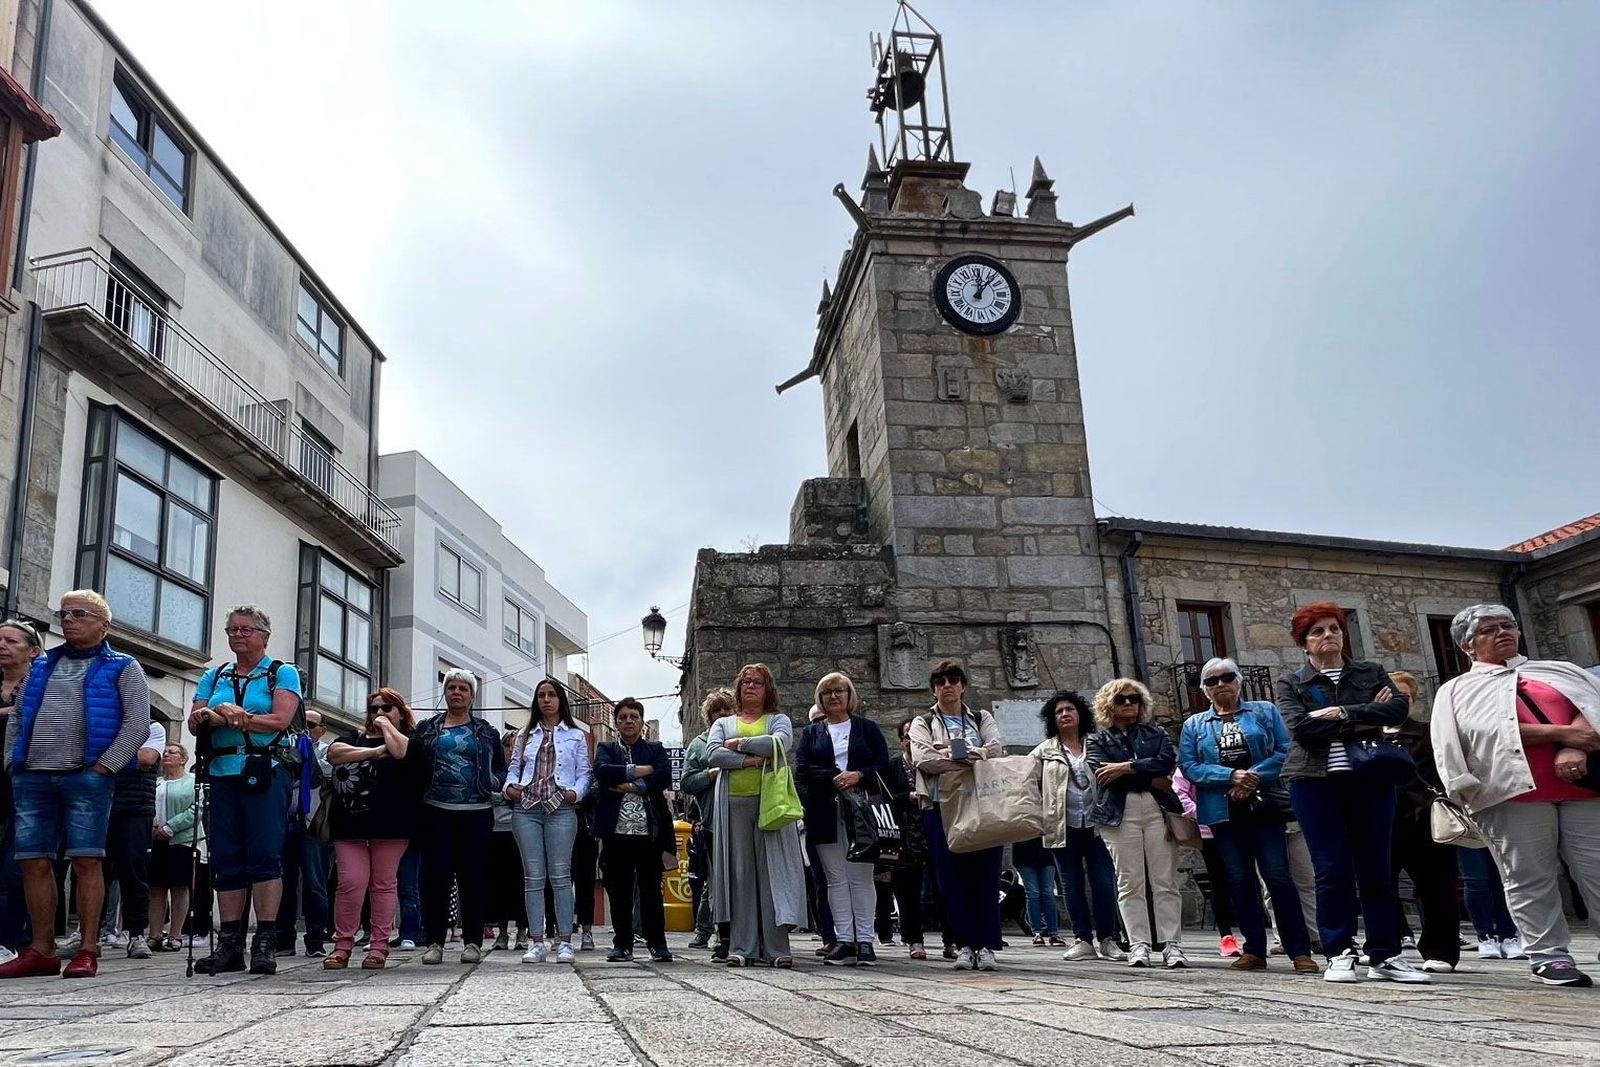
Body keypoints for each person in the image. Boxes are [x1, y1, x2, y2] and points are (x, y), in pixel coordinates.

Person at [1431, 604, 1600, 987]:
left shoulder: (1561, 672)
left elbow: (1593, 707)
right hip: (1510, 793)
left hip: (1584, 788)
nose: (1503, 632)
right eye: (1489, 629)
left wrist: (1576, 745)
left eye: (1508, 625)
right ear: (1468, 646)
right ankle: (1549, 956)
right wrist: (1563, 734)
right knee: (1528, 877)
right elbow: (1477, 733)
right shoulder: (1457, 691)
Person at [0, 590, 151, 980]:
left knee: (86, 859)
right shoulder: (42, 665)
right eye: (64, 613)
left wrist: (105, 767)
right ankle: (42, 949)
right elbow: (18, 717)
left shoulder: (123, 666)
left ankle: (87, 948)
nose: (68, 620)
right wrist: (12, 762)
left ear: (104, 624)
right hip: (32, 774)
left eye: (79, 613)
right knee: (32, 861)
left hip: (86, 775)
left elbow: (137, 724)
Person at [1277, 601, 1424, 985]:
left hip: (1370, 778)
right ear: (1304, 644)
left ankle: (1385, 954)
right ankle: (1339, 951)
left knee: (1376, 868)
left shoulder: (1371, 671)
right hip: (1313, 780)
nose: (1328, 636)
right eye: (1318, 632)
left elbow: (1396, 711)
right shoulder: (1292, 682)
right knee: (1331, 869)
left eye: (1334, 629)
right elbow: (1299, 729)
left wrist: (1341, 713)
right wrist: (1364, 713)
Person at [1179, 658, 1318, 974]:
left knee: (1279, 877)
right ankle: (1254, 949)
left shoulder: (1265, 712)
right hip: (1222, 811)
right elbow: (1189, 766)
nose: (1220, 684)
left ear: (1239, 681)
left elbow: (1285, 751)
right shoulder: (1194, 725)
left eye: (1227, 677)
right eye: (1211, 681)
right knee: (1239, 880)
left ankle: (1300, 950)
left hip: (1264, 807)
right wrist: (1231, 776)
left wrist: (1250, 776)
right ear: (1204, 690)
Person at [185, 605, 303, 977]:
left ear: (264, 636)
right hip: (221, 772)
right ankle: (230, 942)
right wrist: (218, 714)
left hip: (264, 770)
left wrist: (237, 717)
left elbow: (280, 721)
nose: (237, 635)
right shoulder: (214, 674)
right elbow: (195, 720)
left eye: (246, 629)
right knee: (226, 856)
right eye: (232, 630)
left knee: (265, 853)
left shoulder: (281, 673)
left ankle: (265, 939)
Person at [707, 663, 807, 968]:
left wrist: (738, 745)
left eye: (757, 683)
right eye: (745, 682)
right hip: (735, 803)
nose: (750, 687)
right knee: (740, 876)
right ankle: (742, 947)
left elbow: (780, 743)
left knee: (772, 874)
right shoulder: (723, 723)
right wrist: (752, 760)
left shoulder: (779, 720)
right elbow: (713, 754)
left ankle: (777, 948)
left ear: (768, 689)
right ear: (738, 689)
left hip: (771, 804)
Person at [909, 660, 1005, 972]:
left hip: (982, 804)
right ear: (933, 688)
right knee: (950, 878)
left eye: (953, 680)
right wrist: (967, 758)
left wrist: (952, 755)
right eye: (940, 681)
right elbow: (923, 758)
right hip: (941, 806)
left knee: (986, 875)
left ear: (963, 685)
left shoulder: (981, 717)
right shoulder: (922, 722)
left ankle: (987, 944)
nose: (947, 685)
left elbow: (996, 749)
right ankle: (964, 943)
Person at [1086, 678, 1186, 969]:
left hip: (1156, 808)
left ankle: (1172, 943)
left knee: (1165, 879)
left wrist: (1126, 767)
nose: (1129, 704)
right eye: (1121, 699)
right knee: (1129, 881)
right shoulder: (1097, 740)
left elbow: (1166, 763)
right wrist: (1146, 771)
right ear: (1109, 705)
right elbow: (1101, 772)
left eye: (1134, 699)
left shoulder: (1156, 734)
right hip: (1119, 812)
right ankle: (1138, 943)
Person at [795, 672, 892, 967]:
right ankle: (844, 939)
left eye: (839, 691)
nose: (833, 696)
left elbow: (884, 766)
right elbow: (802, 768)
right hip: (825, 810)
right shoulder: (812, 733)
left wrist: (858, 776)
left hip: (861, 812)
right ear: (820, 699)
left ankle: (865, 940)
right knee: (835, 879)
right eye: (827, 692)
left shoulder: (867, 729)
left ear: (850, 695)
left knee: (861, 877)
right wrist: (835, 777)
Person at [323, 688, 423, 970]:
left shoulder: (412, 740)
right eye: (373, 709)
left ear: (401, 714)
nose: (378, 713)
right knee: (351, 883)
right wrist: (376, 750)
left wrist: (386, 729)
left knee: (383, 884)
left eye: (386, 708)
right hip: (349, 825)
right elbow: (334, 753)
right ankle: (342, 944)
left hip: (391, 826)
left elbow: (401, 752)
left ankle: (379, 946)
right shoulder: (353, 738)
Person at [415, 668, 506, 965]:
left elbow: (502, 770)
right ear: (444, 692)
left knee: (474, 878)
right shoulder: (427, 728)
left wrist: (492, 783)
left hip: (476, 813)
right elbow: (413, 762)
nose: (456, 692)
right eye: (451, 687)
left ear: (472, 695)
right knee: (435, 878)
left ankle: (473, 942)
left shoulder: (486, 731)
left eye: (463, 688)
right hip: (435, 811)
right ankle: (434, 942)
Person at [1029, 690, 1122, 962]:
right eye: (1058, 712)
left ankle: (1108, 938)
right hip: (1062, 826)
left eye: (1069, 709)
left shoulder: (1099, 744)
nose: (1064, 714)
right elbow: (1027, 784)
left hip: (1098, 826)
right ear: (1052, 719)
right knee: (1071, 885)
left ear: (1080, 714)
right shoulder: (1043, 751)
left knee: (1104, 882)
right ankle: (1082, 939)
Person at [505, 678, 592, 965]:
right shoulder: (524, 734)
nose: (546, 700)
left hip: (561, 809)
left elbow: (585, 773)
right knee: (533, 877)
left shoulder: (576, 735)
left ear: (560, 700)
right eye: (541, 695)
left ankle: (565, 941)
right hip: (527, 808)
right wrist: (510, 788)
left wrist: (574, 793)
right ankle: (537, 941)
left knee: (561, 877)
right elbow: (513, 767)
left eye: (551, 694)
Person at [1381, 670, 1461, 974]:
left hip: (1424, 821)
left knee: (1436, 887)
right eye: (1390, 695)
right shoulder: (1366, 734)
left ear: (1413, 699)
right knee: (1379, 886)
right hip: (1382, 823)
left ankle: (1440, 950)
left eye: (1403, 695)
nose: (1397, 700)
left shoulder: (1429, 732)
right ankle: (1385, 946)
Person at [592, 697, 672, 962]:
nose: (628, 721)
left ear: (642, 723)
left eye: (633, 717)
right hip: (616, 833)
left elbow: (663, 776)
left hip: (649, 832)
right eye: (623, 717)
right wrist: (639, 771)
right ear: (616, 722)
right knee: (620, 891)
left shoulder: (655, 749)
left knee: (650, 891)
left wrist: (630, 784)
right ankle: (622, 943)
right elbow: (602, 773)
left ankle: (657, 944)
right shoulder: (605, 748)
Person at [102, 715, 165, 958]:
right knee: (92, 870)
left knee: (134, 871)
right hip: (100, 804)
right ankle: (86, 934)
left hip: (135, 809)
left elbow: (146, 758)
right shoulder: (103, 722)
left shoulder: (152, 727)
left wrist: (104, 757)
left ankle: (136, 933)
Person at [0, 619, 43, 962]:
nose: (2, 644)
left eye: (10, 640)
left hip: (23, 781)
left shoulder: (39, 684)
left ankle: (13, 937)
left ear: (32, 651)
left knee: (17, 863)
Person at [681, 687, 735, 955]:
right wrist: (710, 775)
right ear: (709, 718)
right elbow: (686, 782)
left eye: (728, 713)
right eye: (717, 715)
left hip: (742, 820)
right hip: (713, 822)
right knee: (714, 883)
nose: (722, 718)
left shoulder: (743, 738)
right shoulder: (699, 745)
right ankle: (713, 932)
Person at [277, 708, 333, 958]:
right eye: (301, 724)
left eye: (311, 725)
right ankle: (283, 940)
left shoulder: (328, 751)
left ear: (321, 728)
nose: (305, 729)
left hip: (312, 825)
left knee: (315, 884)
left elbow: (321, 774)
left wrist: (304, 751)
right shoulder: (282, 746)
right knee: (282, 884)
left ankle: (315, 940)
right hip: (283, 822)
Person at [886, 716, 931, 960]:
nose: (912, 742)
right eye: (908, 737)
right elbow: (885, 795)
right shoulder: (894, 767)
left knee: (941, 890)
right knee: (907, 892)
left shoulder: (932, 764)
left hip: (933, 832)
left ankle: (951, 940)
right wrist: (908, 796)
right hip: (904, 835)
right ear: (901, 741)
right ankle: (914, 939)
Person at [147, 741, 199, 951]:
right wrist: (152, 826)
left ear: (183, 759)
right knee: (155, 888)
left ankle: (176, 934)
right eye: (165, 752)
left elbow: (197, 808)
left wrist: (171, 827)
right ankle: (155, 934)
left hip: (181, 840)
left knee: (179, 886)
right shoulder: (157, 783)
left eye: (172, 752)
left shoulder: (193, 782)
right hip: (155, 840)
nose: (166, 755)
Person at [487, 731, 527, 953]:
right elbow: (487, 792)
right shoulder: (495, 770)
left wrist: (505, 795)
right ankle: (501, 932)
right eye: (508, 746)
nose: (511, 751)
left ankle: (523, 930)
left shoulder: (526, 770)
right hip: (495, 830)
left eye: (515, 746)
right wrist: (506, 794)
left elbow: (524, 796)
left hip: (520, 830)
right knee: (498, 884)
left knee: (521, 882)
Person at [1010, 837, 1063, 948]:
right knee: (1033, 893)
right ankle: (1037, 933)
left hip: (1046, 851)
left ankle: (1054, 933)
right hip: (1024, 852)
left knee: (1047, 892)